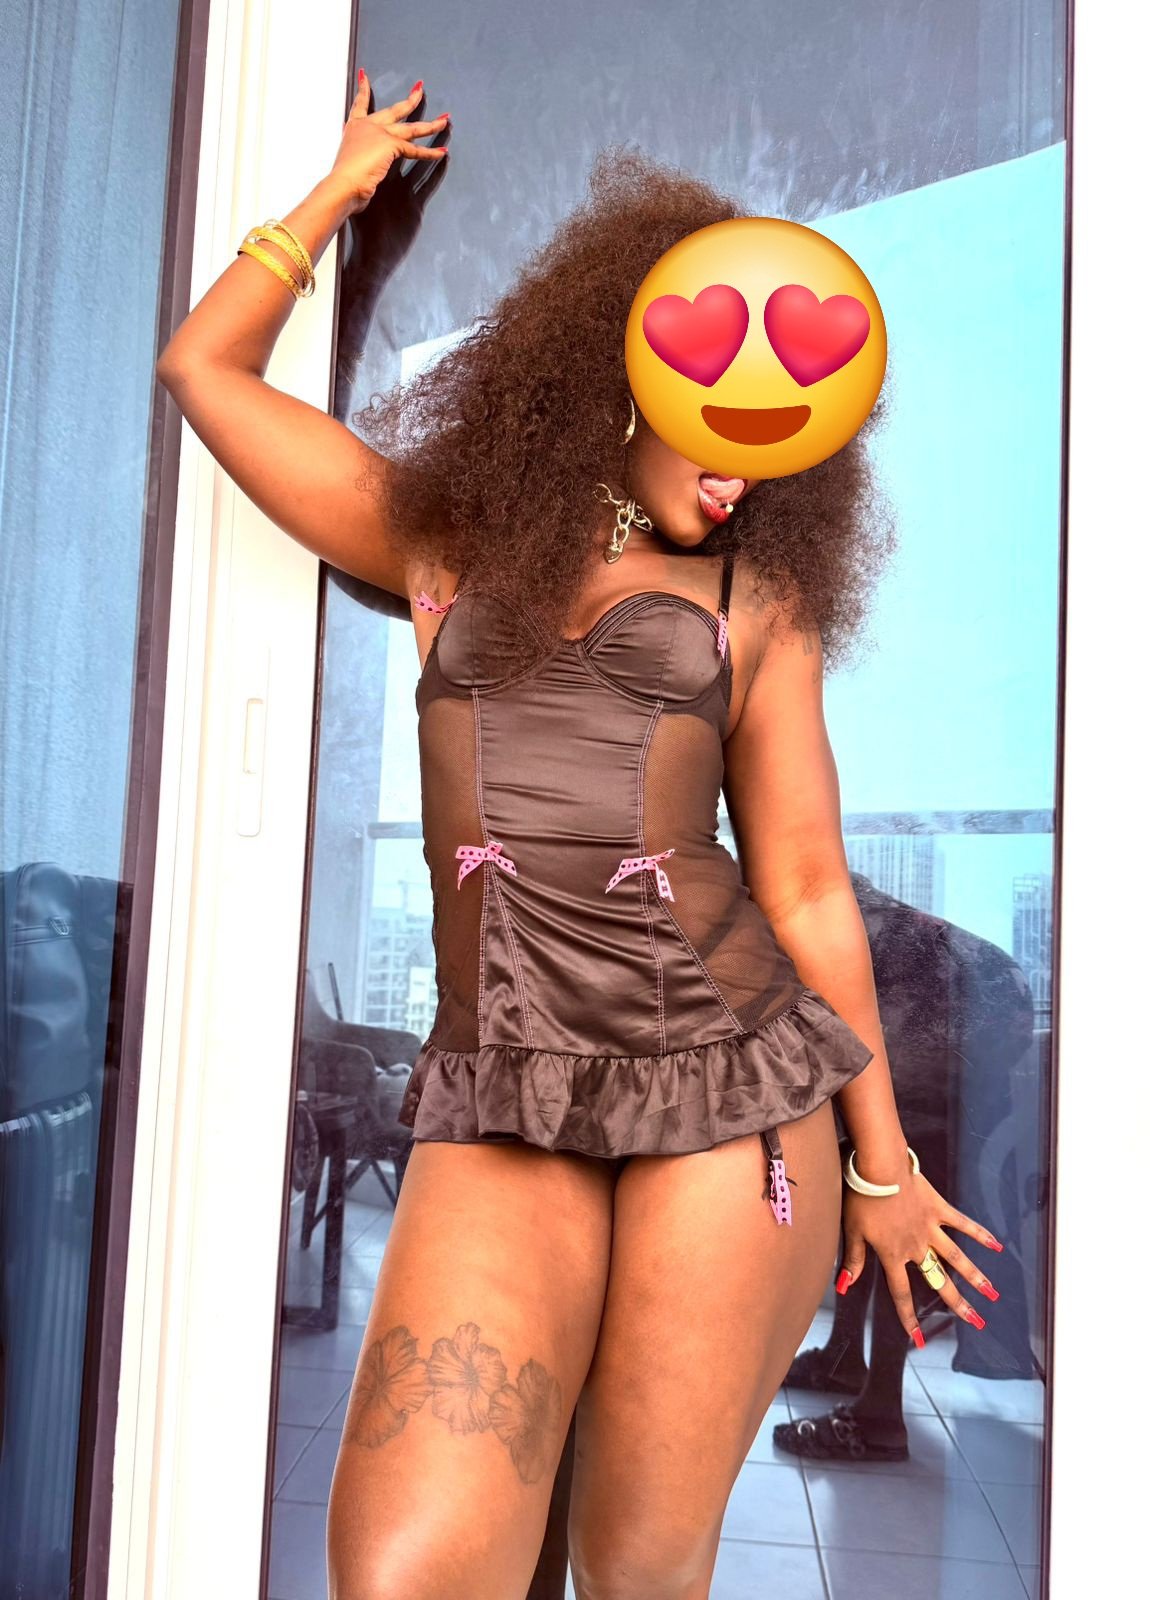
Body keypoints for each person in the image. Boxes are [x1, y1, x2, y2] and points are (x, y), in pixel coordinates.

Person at [157, 67, 1004, 1600]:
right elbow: (205, 373)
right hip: (509, 1085)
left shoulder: (758, 600)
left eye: (777, 442)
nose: (744, 467)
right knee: (407, 1569)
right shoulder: (442, 541)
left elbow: (805, 887)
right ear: (621, 370)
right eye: (719, 422)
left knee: (634, 1572)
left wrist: (881, 1169)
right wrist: (339, 190)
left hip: (733, 1097)